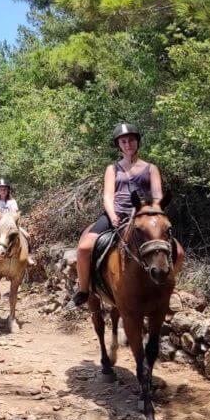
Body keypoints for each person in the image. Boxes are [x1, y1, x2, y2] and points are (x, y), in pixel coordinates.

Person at [72, 123, 185, 306]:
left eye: (131, 140)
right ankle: (85, 289)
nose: (128, 144)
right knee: (84, 248)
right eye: (123, 141)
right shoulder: (112, 169)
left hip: (144, 218)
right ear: (119, 145)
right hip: (117, 215)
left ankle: (167, 284)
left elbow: (157, 195)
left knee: (178, 252)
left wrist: (149, 213)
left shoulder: (151, 168)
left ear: (137, 142)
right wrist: (113, 215)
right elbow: (108, 196)